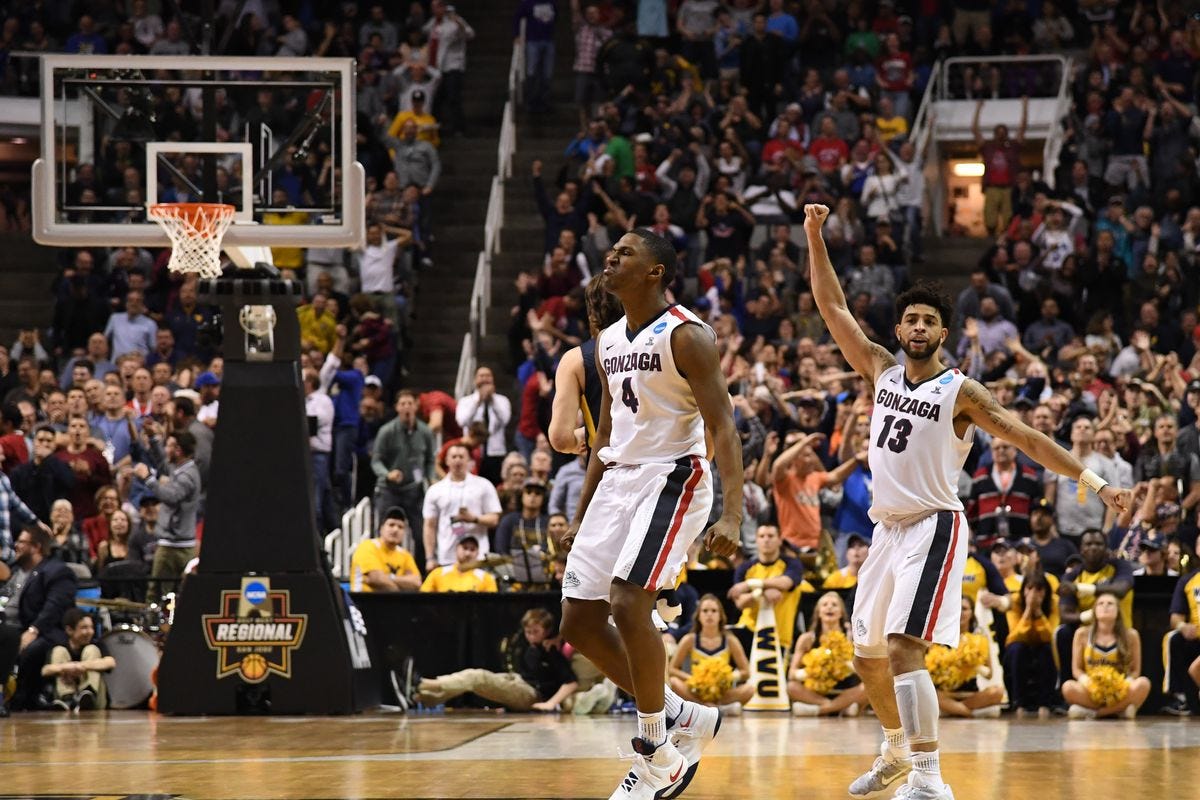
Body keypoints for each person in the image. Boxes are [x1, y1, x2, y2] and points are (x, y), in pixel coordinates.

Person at [803, 203, 1129, 800]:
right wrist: (814, 235)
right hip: (885, 532)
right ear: (898, 332)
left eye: (930, 320)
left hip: (933, 526)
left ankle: (930, 777)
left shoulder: (961, 391)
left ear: (943, 333)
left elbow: (1028, 439)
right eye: (911, 320)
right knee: (867, 656)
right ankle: (897, 752)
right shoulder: (879, 369)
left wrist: (1096, 482)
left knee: (904, 648)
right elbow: (833, 308)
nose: (919, 328)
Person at [558, 228, 743, 800]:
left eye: (626, 253)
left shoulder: (688, 336)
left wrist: (734, 513)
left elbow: (723, 427)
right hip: (619, 481)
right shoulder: (609, 340)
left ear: (655, 273)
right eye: (612, 251)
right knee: (578, 622)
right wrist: (583, 513)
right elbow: (607, 433)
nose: (611, 257)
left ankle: (655, 750)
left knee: (628, 602)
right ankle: (685, 716)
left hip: (673, 477)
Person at [414, 608, 577, 711]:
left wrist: (550, 704)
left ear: (547, 631)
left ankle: (422, 684)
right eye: (528, 632)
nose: (531, 636)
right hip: (519, 681)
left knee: (477, 677)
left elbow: (571, 682)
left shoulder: (551, 651)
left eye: (536, 631)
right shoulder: (531, 647)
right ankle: (420, 696)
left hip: (532, 693)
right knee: (475, 681)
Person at [0, 527, 77, 712]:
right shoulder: (14, 571)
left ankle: (21, 699)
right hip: (9, 627)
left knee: (30, 649)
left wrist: (33, 631)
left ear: (36, 547)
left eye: (21, 542)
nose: (16, 546)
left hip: (44, 631)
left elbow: (54, 607)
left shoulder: (57, 571)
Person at [549, 276, 625, 455]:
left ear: (590, 311)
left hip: (608, 467)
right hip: (661, 466)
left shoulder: (576, 360)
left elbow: (560, 438)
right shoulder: (657, 345)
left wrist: (582, 438)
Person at [1054, 528, 1135, 688]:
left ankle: (1124, 692)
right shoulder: (1072, 576)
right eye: (1088, 544)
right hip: (1089, 634)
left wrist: (1079, 589)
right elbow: (1065, 614)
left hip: (1120, 630)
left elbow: (1120, 590)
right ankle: (1067, 689)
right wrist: (1090, 616)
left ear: (1106, 549)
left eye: (1098, 543)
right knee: (1063, 632)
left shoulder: (1120, 566)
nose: (1093, 547)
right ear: (1081, 550)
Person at [133, 431, 200, 604]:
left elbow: (170, 496)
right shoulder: (181, 468)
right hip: (177, 543)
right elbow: (163, 463)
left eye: (168, 446)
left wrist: (148, 478)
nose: (166, 449)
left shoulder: (187, 476)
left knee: (157, 595)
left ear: (178, 450)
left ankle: (159, 629)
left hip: (174, 547)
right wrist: (154, 440)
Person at [1061, 591, 1151, 719]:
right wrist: (1088, 683)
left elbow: (1135, 670)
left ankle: (1094, 713)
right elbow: (1077, 669)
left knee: (1143, 683)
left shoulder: (1131, 635)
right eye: (1100, 604)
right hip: (1091, 689)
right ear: (1094, 611)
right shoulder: (1082, 634)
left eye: (1110, 604)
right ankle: (1121, 710)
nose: (1105, 606)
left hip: (1120, 690)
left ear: (1118, 611)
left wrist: (1122, 685)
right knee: (1068, 687)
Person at [371, 390, 436, 561]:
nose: (407, 407)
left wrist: (430, 477)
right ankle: (383, 567)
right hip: (389, 490)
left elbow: (430, 459)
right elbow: (376, 461)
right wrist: (387, 474)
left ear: (416, 406)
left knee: (421, 532)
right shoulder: (386, 431)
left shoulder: (425, 432)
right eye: (403, 404)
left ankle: (421, 573)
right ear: (397, 408)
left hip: (414, 490)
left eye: (410, 403)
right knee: (386, 531)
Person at [668, 593, 754, 714]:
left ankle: (705, 709)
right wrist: (694, 679)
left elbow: (746, 672)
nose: (709, 614)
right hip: (696, 690)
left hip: (722, 692)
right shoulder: (689, 639)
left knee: (749, 689)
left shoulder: (730, 640)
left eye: (714, 611)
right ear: (698, 616)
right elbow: (672, 669)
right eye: (705, 611)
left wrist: (725, 678)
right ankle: (713, 708)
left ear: (720, 616)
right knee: (674, 682)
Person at [787, 591, 869, 717]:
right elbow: (792, 674)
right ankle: (840, 707)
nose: (829, 607)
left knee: (867, 687)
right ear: (818, 612)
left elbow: (866, 671)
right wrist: (812, 670)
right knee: (791, 687)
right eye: (825, 604)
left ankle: (819, 710)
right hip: (814, 692)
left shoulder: (852, 637)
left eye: (834, 605)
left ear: (841, 612)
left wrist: (846, 666)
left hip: (846, 690)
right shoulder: (807, 639)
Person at [421, 443, 502, 570]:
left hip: (478, 557)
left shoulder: (484, 485)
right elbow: (429, 525)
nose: (457, 460)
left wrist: (474, 519)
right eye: (453, 457)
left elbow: (494, 519)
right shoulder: (435, 490)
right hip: (447, 556)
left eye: (461, 457)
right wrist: (430, 558)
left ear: (469, 461)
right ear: (446, 461)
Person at [729, 524, 805, 651]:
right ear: (756, 540)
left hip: (779, 634)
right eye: (762, 536)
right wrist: (760, 593)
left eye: (771, 536)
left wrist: (749, 585)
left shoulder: (792, 564)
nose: (766, 539)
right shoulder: (744, 568)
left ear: (780, 540)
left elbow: (786, 583)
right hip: (748, 630)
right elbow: (740, 602)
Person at [932, 597, 1005, 719]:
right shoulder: (940, 637)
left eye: (964, 609)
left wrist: (973, 665)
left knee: (997, 692)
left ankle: (953, 709)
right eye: (957, 609)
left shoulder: (980, 639)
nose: (960, 613)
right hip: (945, 694)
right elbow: (929, 671)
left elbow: (989, 675)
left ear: (971, 613)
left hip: (970, 694)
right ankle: (967, 712)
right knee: (930, 695)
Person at [1004, 570, 1058, 717]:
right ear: (1023, 590)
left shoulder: (1054, 602)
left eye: (1039, 589)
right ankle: (1018, 703)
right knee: (1017, 649)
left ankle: (1045, 703)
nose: (1034, 593)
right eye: (1029, 588)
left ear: (1046, 591)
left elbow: (1050, 636)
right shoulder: (1015, 601)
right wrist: (1028, 611)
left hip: (1043, 645)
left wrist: (1039, 613)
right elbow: (1013, 637)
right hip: (1021, 646)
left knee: (1048, 650)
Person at [41, 608, 114, 711]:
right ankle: (67, 698)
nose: (90, 632)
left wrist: (83, 666)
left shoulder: (96, 644)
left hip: (96, 699)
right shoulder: (60, 645)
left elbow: (110, 662)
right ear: (69, 630)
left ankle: (88, 695)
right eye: (84, 627)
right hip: (67, 695)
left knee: (91, 650)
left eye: (91, 627)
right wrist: (68, 667)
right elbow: (46, 670)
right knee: (59, 651)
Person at [455, 367, 511, 483]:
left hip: (495, 453)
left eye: (488, 376)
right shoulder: (465, 401)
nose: (485, 379)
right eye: (481, 376)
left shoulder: (502, 400)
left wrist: (492, 401)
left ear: (493, 379)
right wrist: (478, 402)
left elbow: (504, 420)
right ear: (475, 380)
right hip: (473, 452)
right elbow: (462, 421)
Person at [349, 506, 421, 593]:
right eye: (391, 525)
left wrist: (389, 578)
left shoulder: (405, 555)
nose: (395, 530)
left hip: (394, 604)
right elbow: (376, 579)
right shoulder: (367, 546)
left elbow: (416, 583)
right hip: (363, 602)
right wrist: (401, 591)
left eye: (400, 527)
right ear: (381, 529)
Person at [1162, 563, 1200, 715]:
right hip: (1196, 635)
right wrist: (1183, 626)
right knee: (1173, 638)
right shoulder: (1188, 580)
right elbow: (1175, 618)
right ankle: (1180, 695)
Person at [420, 535, 498, 593]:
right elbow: (423, 597)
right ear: (457, 548)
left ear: (478, 553)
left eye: (472, 549)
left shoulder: (486, 578)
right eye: (465, 548)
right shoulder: (438, 573)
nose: (468, 553)